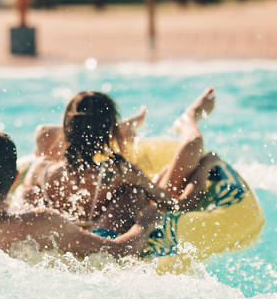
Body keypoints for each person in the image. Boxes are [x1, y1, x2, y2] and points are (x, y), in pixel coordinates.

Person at [14, 88, 221, 236]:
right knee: (135, 194)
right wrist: (204, 168)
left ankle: (120, 128)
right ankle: (189, 118)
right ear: (109, 133)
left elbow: (45, 133)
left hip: (58, 241)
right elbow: (179, 205)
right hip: (106, 244)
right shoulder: (120, 172)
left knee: (27, 192)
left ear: (67, 129)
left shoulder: (40, 170)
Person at [0, 131, 162, 258]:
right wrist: (145, 223)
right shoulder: (41, 223)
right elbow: (120, 251)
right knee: (131, 196)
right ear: (14, 179)